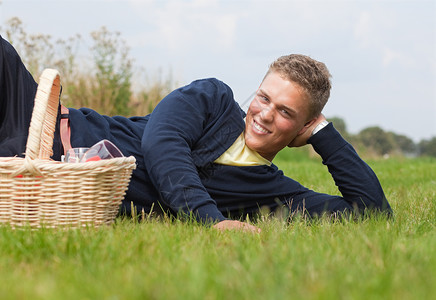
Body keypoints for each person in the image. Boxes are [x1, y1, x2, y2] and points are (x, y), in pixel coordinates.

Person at [0, 35, 391, 232]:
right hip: (43, 125)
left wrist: (324, 135)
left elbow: (372, 213)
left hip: (49, 182)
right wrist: (211, 219)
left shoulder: (272, 193)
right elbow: (162, 144)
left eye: (286, 112)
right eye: (264, 98)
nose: (265, 115)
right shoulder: (212, 97)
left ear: (303, 124)